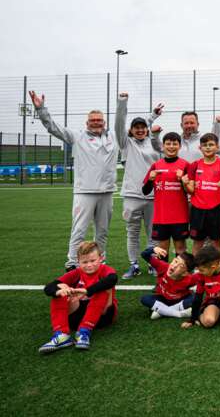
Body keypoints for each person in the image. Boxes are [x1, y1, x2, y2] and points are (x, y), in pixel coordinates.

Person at [31, 91, 119, 270]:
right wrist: (41, 109)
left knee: (102, 232)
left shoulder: (113, 137)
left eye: (99, 120)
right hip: (84, 192)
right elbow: (53, 127)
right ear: (87, 123)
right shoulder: (77, 136)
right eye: (93, 120)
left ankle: (100, 261)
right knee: (79, 230)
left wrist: (152, 118)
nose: (96, 122)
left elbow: (135, 131)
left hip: (107, 192)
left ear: (104, 122)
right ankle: (72, 263)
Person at [115, 92, 163, 279]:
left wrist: (153, 116)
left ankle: (152, 263)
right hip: (132, 196)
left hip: (153, 196)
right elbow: (119, 123)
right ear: (131, 130)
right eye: (137, 127)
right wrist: (122, 102)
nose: (140, 130)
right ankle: (134, 264)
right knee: (132, 232)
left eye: (143, 127)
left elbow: (148, 129)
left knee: (153, 233)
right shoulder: (126, 144)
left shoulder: (154, 144)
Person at [39, 242, 118, 353]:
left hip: (103, 316)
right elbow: (48, 287)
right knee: (60, 288)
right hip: (78, 317)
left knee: (103, 289)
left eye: (93, 261)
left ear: (101, 258)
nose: (89, 265)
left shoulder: (105, 270)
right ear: (78, 262)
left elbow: (112, 279)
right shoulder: (76, 273)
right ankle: (62, 335)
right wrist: (60, 291)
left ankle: (84, 332)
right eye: (84, 262)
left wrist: (87, 291)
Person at [142, 132, 190, 257]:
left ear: (180, 146)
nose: (171, 146)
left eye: (175, 143)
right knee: (162, 249)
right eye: (168, 144)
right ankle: (163, 276)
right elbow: (145, 191)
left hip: (180, 216)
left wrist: (183, 181)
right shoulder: (156, 166)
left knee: (180, 248)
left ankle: (180, 274)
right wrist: (151, 180)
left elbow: (190, 191)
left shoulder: (185, 165)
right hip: (161, 216)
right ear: (163, 146)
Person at [182, 133, 220, 257]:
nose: (208, 147)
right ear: (200, 148)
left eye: (211, 145)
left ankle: (218, 266)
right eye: (205, 145)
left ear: (217, 147)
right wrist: (185, 184)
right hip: (198, 209)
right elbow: (191, 190)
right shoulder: (195, 165)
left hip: (215, 209)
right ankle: (197, 268)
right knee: (198, 242)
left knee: (216, 242)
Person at [139, 246, 196, 319]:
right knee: (145, 299)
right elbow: (144, 254)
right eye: (175, 261)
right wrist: (153, 249)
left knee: (194, 299)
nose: (175, 265)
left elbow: (204, 277)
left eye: (180, 266)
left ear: (185, 273)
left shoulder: (189, 279)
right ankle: (179, 314)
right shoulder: (162, 266)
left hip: (180, 300)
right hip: (163, 299)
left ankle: (161, 311)